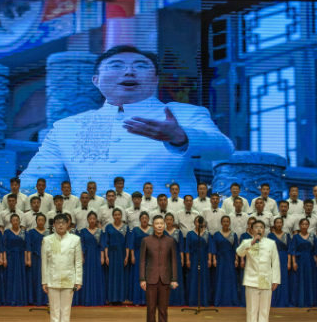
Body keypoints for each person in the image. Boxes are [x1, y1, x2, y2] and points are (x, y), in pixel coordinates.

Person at [20, 45, 233, 197]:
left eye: (141, 66)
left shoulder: (184, 113)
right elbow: (39, 177)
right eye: (116, 65)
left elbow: (223, 149)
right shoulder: (68, 127)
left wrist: (180, 136)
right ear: (96, 80)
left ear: (155, 80)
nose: (129, 71)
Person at [236, 219, 280, 322]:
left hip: (266, 279)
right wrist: (252, 242)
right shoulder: (246, 242)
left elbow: (275, 262)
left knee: (264, 311)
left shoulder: (271, 243)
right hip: (252, 279)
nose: (259, 229)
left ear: (264, 230)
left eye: (261, 227)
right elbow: (239, 252)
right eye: (256, 227)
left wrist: (275, 280)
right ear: (251, 230)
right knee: (251, 311)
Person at [41, 214, 83, 322]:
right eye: (58, 222)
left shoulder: (75, 240)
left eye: (63, 222)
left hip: (68, 279)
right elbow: (44, 262)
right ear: (53, 225)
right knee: (54, 310)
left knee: (65, 310)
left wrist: (78, 280)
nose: (60, 225)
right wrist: (44, 281)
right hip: (52, 279)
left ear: (67, 224)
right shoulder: (47, 240)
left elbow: (78, 262)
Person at [140, 215, 178, 322]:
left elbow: (173, 261)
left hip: (165, 279)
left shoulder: (170, 241)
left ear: (165, 225)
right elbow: (142, 261)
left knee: (163, 310)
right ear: (153, 225)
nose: (160, 225)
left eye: (162, 223)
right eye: (157, 223)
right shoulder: (146, 240)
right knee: (151, 310)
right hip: (150, 278)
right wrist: (142, 279)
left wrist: (174, 279)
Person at [76, 212, 105, 307]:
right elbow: (81, 245)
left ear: (96, 220)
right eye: (90, 218)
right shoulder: (83, 231)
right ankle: (86, 299)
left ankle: (98, 300)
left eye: (94, 218)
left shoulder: (100, 231)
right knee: (87, 276)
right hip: (87, 256)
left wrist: (102, 257)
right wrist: (82, 257)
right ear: (87, 220)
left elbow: (102, 245)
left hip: (97, 255)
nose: (92, 220)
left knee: (97, 276)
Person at [101, 208, 130, 304]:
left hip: (122, 254)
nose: (117, 216)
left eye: (119, 214)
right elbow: (106, 243)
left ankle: (120, 299)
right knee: (111, 275)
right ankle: (111, 299)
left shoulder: (126, 227)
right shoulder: (108, 227)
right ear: (113, 216)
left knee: (121, 276)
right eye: (115, 214)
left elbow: (127, 243)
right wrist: (106, 256)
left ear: (121, 216)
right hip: (111, 254)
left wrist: (127, 256)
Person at [288, 218, 317, 308]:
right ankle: (298, 300)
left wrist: (316, 261)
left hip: (310, 260)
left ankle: (310, 300)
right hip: (299, 260)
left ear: (308, 225)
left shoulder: (313, 236)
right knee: (299, 279)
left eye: (306, 224)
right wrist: (293, 262)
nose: (304, 226)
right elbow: (293, 249)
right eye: (302, 224)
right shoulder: (296, 236)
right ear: (299, 225)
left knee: (309, 279)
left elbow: (316, 250)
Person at [211, 216, 240, 307]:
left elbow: (236, 248)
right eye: (224, 221)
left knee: (231, 278)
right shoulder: (216, 234)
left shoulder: (233, 234)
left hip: (230, 258)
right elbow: (214, 248)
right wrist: (214, 259)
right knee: (220, 278)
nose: (226, 223)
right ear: (221, 223)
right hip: (220, 259)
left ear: (229, 223)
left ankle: (232, 300)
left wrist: (236, 259)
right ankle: (219, 300)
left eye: (227, 221)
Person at [185, 216, 212, 307]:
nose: (199, 223)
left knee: (203, 277)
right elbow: (187, 247)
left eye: (201, 221)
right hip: (193, 257)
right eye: (197, 221)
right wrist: (187, 260)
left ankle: (204, 300)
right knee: (194, 277)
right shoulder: (190, 234)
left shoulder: (207, 234)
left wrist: (209, 260)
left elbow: (210, 247)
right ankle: (193, 300)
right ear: (194, 223)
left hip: (204, 257)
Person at [128, 212, 153, 306]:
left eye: (146, 218)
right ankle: (137, 300)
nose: (144, 220)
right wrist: (132, 256)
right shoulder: (135, 230)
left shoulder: (152, 230)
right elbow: (131, 244)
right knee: (138, 275)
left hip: (150, 255)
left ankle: (149, 300)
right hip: (138, 254)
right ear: (140, 219)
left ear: (148, 219)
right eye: (143, 218)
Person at [26, 213, 51, 307]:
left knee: (45, 277)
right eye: (39, 220)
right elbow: (28, 246)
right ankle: (35, 299)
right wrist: (28, 259)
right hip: (35, 258)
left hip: (46, 258)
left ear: (45, 221)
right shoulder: (31, 232)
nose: (40, 222)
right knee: (35, 278)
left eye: (42, 220)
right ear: (36, 221)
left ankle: (45, 299)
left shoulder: (48, 232)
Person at [1, 214, 27, 306]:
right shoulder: (7, 232)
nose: (15, 222)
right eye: (14, 220)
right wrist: (4, 259)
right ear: (10, 222)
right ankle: (10, 299)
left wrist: (26, 259)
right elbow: (3, 246)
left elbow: (27, 246)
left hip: (21, 256)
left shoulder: (23, 232)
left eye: (17, 220)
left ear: (19, 221)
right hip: (10, 256)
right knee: (10, 277)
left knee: (20, 277)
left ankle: (20, 299)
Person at [267, 217, 291, 308]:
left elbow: (289, 249)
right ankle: (273, 300)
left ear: (283, 224)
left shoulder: (287, 235)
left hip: (284, 257)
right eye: (277, 222)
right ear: (274, 224)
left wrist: (289, 262)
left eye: (280, 222)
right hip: (273, 257)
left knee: (283, 278)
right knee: (273, 277)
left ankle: (283, 300)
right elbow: (268, 249)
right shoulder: (270, 235)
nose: (279, 224)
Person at [163, 213, 186, 306]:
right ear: (165, 221)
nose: (169, 221)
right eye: (167, 220)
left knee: (176, 276)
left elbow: (181, 247)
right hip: (164, 256)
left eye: (170, 220)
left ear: (173, 221)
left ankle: (177, 299)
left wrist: (182, 258)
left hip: (175, 255)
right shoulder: (161, 231)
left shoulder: (178, 232)